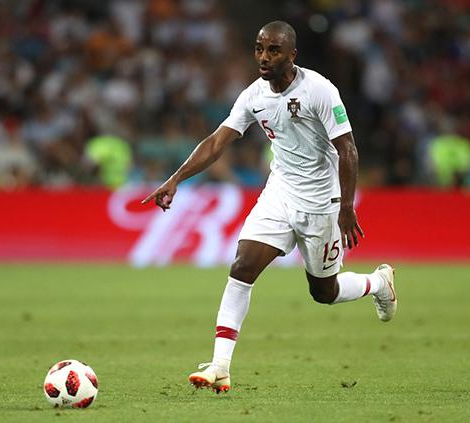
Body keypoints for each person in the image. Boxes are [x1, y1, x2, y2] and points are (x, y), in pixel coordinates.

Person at [142, 21, 397, 394]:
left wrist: (346, 207)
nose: (264, 57)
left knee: (322, 292)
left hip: (322, 202)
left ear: (292, 55)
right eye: (259, 48)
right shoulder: (253, 96)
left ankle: (379, 282)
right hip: (279, 194)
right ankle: (220, 366)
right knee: (242, 266)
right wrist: (176, 179)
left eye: (273, 50)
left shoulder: (320, 91)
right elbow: (216, 143)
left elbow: (348, 149)